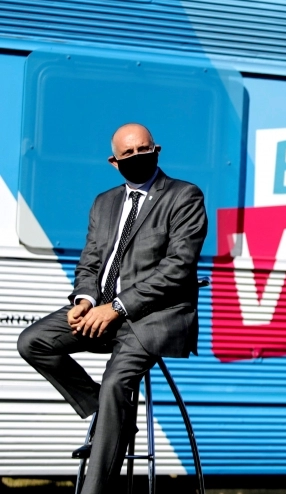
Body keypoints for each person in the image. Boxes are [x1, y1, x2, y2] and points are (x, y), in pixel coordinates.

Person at [17, 123, 207, 494]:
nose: (138, 157)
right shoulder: (104, 202)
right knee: (32, 341)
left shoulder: (184, 195)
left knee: (116, 382)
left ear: (157, 149)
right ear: (114, 162)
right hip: (102, 310)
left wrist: (117, 307)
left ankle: (95, 488)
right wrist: (84, 301)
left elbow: (179, 267)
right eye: (129, 154)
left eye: (144, 150)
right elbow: (89, 262)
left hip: (153, 317)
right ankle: (107, 416)